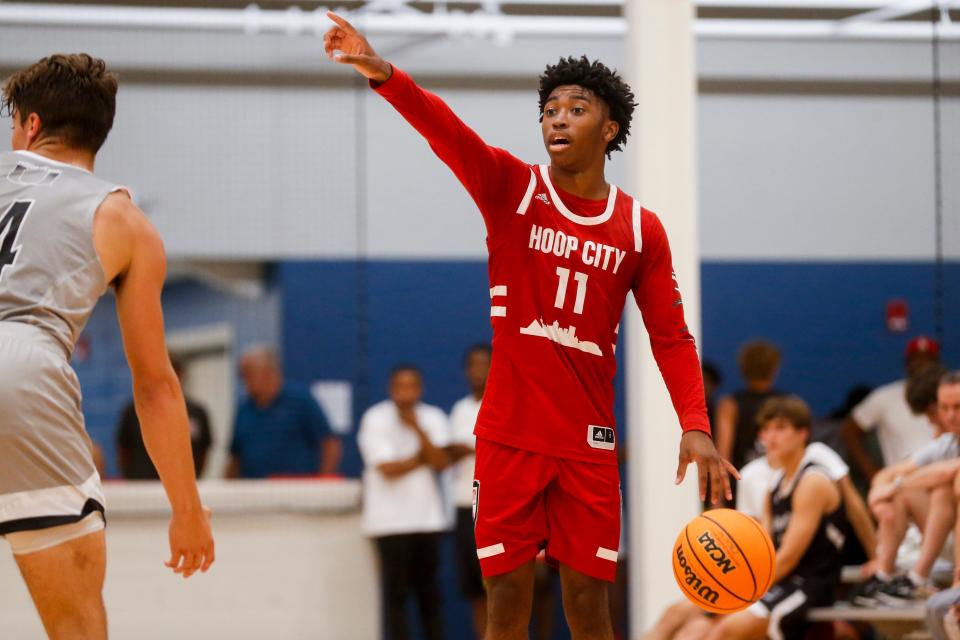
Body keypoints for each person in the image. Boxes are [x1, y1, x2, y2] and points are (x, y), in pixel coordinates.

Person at [324, 15, 735, 640]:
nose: (558, 119)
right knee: (507, 605)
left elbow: (671, 336)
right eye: (549, 110)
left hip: (588, 447)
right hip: (510, 437)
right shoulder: (512, 188)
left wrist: (696, 425)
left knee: (591, 610)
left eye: (576, 108)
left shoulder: (640, 228)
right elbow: (448, 133)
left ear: (610, 127)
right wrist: (381, 71)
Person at [0, 54, 214, 639]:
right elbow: (154, 385)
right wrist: (187, 508)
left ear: (32, 126)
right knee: (76, 625)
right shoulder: (124, 219)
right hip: (22, 367)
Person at [706, 396, 846, 640]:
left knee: (726, 631)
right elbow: (765, 549)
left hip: (810, 584)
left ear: (803, 433)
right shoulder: (773, 487)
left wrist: (744, 588)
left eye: (780, 429)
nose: (770, 437)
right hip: (781, 581)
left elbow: (789, 558)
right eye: (765, 430)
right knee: (698, 625)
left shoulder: (812, 481)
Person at [357, 365, 452, 640]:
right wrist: (423, 456)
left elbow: (442, 462)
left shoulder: (432, 417)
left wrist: (417, 429)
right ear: (391, 389)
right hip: (389, 523)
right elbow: (387, 469)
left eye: (411, 386)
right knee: (396, 597)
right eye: (400, 386)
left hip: (427, 521)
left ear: (420, 389)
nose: (405, 392)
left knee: (430, 597)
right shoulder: (375, 418)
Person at [852, 365, 959, 605]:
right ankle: (885, 573)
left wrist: (898, 484)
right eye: (944, 408)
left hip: (942, 548)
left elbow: (949, 471)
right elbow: (887, 475)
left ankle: (924, 577)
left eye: (957, 407)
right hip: (942, 542)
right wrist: (878, 499)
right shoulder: (946, 442)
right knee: (896, 498)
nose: (947, 416)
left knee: (944, 488)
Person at [227, 345, 341, 478]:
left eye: (248, 374)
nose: (244, 381)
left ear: (268, 372)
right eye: (242, 375)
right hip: (254, 491)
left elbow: (330, 444)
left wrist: (322, 483)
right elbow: (235, 457)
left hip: (296, 491)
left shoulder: (301, 400)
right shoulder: (244, 409)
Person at [842, 336, 941, 481]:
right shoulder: (886, 396)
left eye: (928, 360)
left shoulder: (949, 393)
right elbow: (849, 431)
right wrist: (873, 474)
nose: (923, 366)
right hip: (904, 478)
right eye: (916, 360)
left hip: (945, 474)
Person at [446, 343, 492, 640]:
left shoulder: (505, 401)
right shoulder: (460, 409)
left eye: (484, 363)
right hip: (465, 504)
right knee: (475, 587)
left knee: (502, 582)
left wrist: (470, 448)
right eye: (473, 364)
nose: (479, 370)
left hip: (496, 505)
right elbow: (450, 453)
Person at [116, 356, 213, 479]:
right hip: (143, 485)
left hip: (183, 483)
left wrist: (193, 479)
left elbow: (203, 453)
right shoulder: (132, 412)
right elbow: (124, 452)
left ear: (180, 375)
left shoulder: (197, 413)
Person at [714, 339, 783, 498]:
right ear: (774, 368)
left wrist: (718, 497)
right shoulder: (786, 403)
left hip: (741, 482)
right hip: (776, 482)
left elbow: (724, 454)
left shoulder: (730, 404)